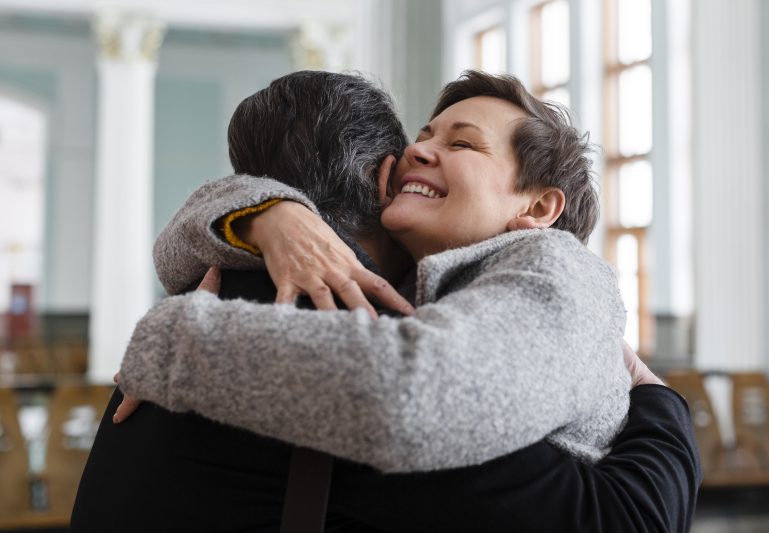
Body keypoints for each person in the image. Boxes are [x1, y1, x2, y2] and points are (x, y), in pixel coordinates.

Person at [72, 70, 700, 532]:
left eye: (463, 143)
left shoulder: (555, 271)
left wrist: (170, 336)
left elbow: (413, 392)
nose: (422, 151)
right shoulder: (373, 311)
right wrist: (265, 213)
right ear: (381, 180)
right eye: (421, 139)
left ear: (537, 207)